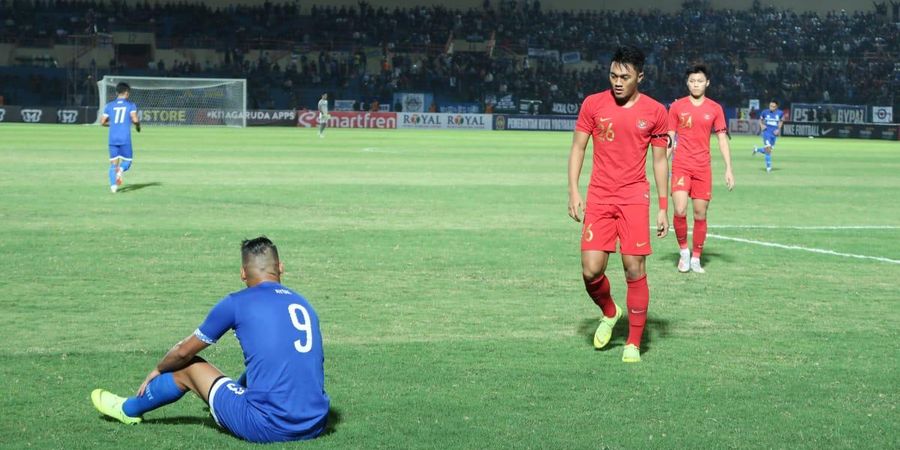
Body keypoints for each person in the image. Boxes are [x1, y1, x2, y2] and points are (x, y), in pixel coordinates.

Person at [90, 237, 330, 443]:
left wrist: (158, 369)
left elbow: (183, 352)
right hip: (315, 423)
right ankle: (233, 400)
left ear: (243, 273)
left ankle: (128, 409)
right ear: (280, 268)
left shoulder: (237, 302)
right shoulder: (304, 303)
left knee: (187, 367)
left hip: (268, 427)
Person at [567, 45, 670, 363]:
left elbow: (660, 161)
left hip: (633, 198)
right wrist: (573, 190)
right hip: (599, 196)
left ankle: (633, 343)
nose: (617, 81)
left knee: (634, 267)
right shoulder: (593, 104)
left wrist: (663, 206)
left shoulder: (655, 111)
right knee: (590, 270)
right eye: (613, 75)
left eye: (625, 76)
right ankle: (610, 312)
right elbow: (578, 148)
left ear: (640, 76)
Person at [667, 65, 735, 273]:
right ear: (687, 83)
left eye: (699, 81)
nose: (695, 84)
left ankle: (696, 257)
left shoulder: (715, 108)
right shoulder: (677, 107)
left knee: (699, 213)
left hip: (702, 168)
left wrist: (728, 168)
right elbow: (670, 137)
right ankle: (684, 253)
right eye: (692, 81)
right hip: (681, 165)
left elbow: (722, 139)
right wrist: (662, 161)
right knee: (679, 209)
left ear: (707, 83)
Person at [100, 82, 140, 193]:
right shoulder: (130, 105)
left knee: (113, 163)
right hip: (124, 138)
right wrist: (138, 125)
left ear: (117, 93)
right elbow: (135, 120)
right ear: (127, 93)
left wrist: (112, 124)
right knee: (127, 162)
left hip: (112, 138)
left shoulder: (109, 105)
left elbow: (102, 122)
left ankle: (113, 187)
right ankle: (121, 170)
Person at [752, 100, 784, 172]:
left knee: (768, 150)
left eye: (773, 106)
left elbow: (781, 121)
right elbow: (760, 120)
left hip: (774, 134)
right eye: (770, 106)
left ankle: (756, 149)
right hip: (766, 133)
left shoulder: (780, 113)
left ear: (776, 107)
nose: (771, 108)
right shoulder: (764, 112)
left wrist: (778, 129)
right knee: (768, 150)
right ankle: (768, 167)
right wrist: (762, 125)